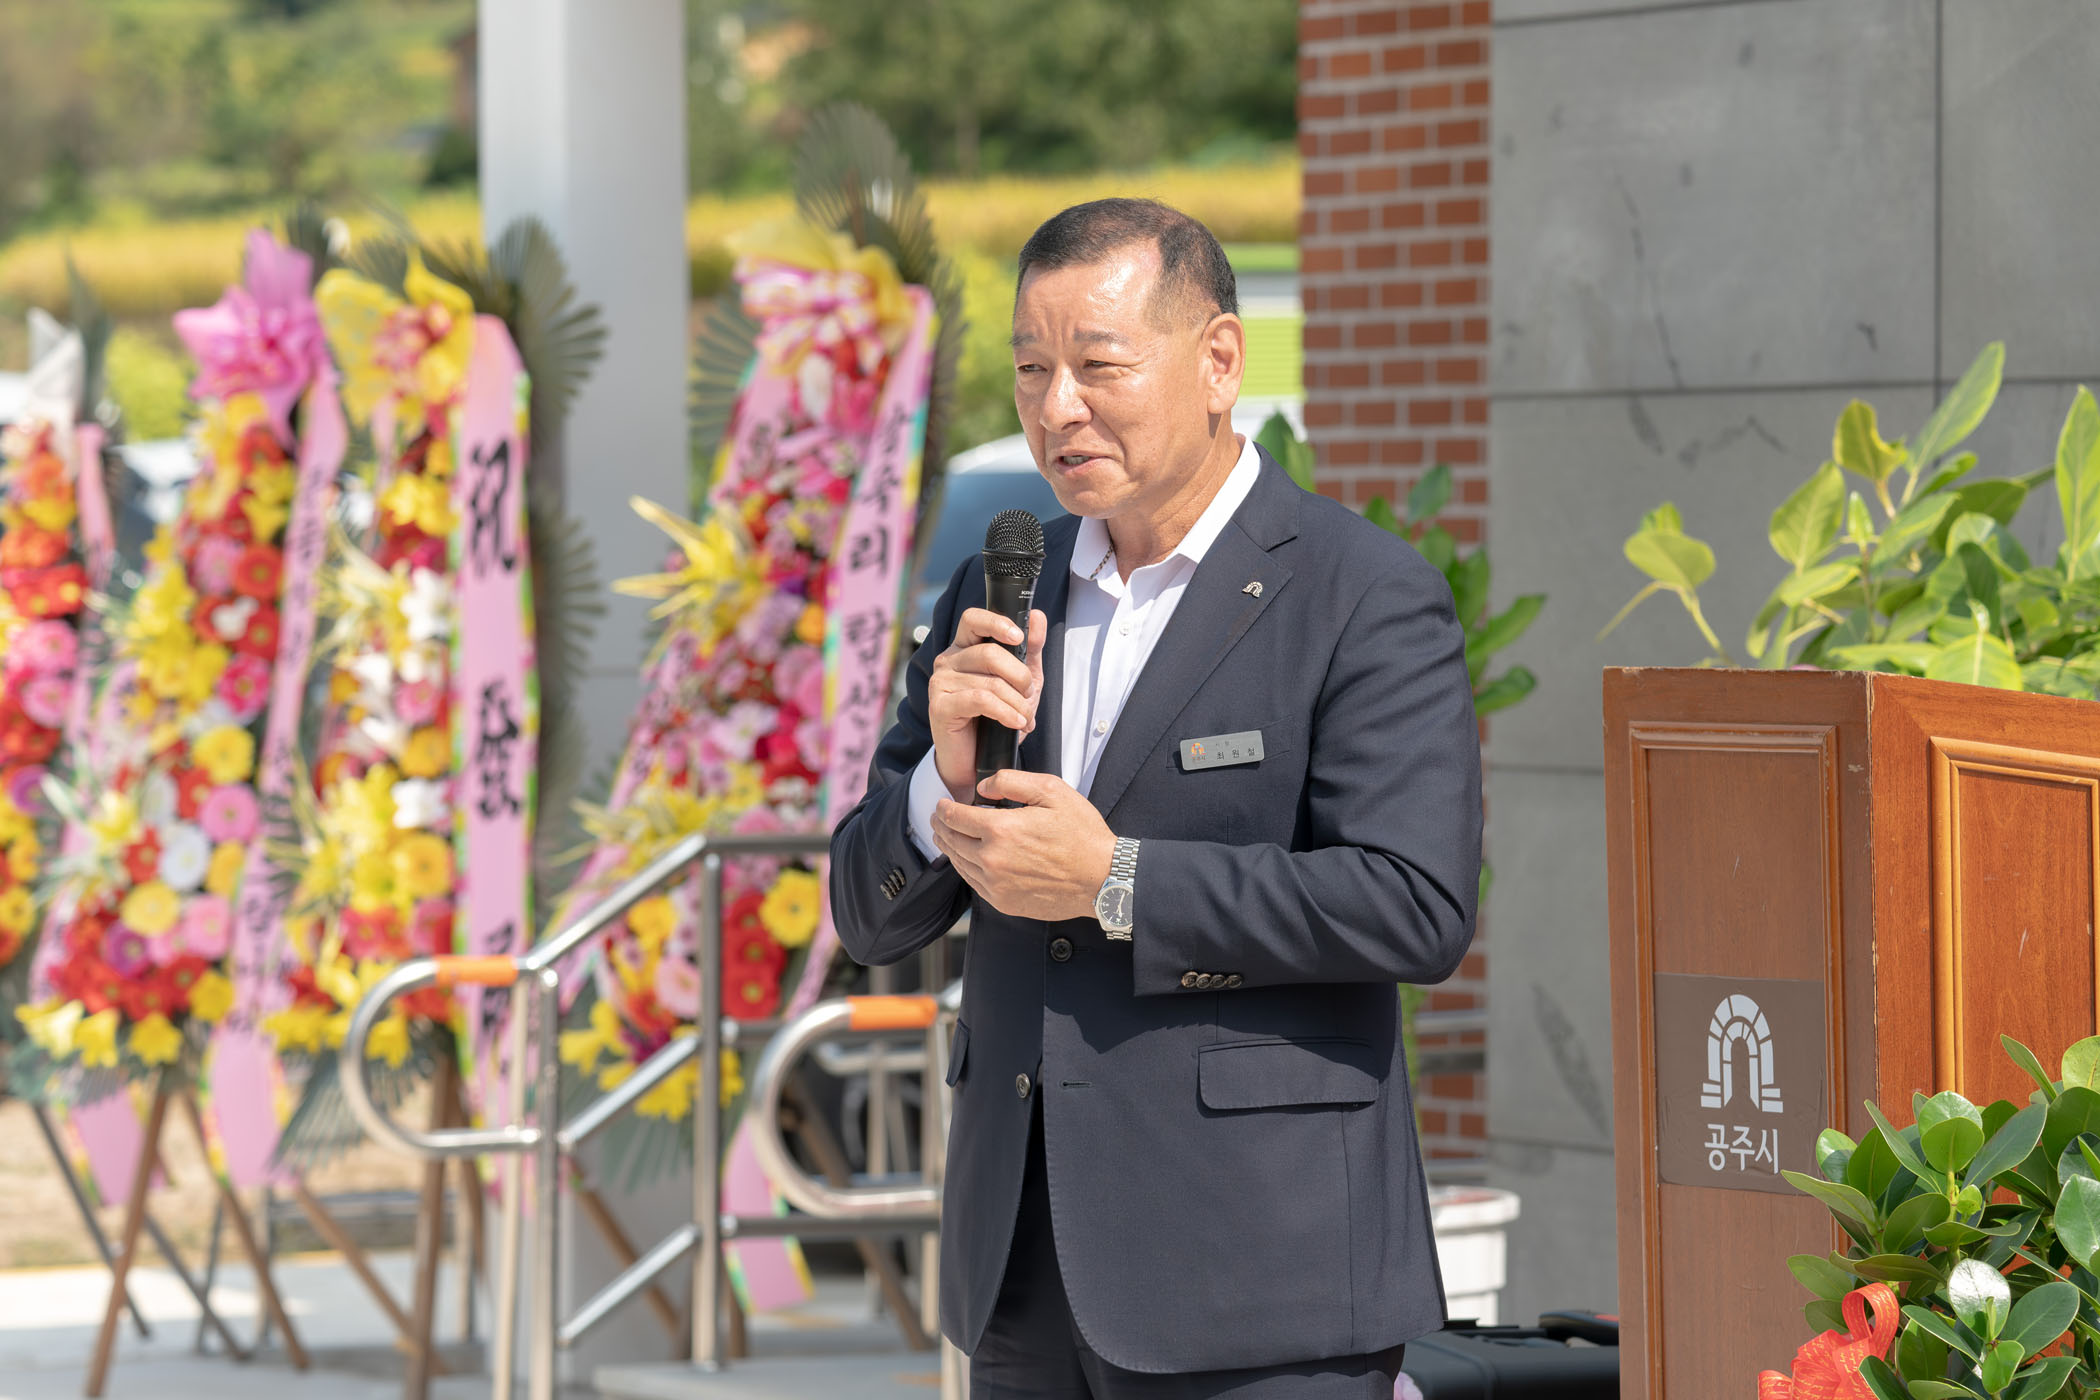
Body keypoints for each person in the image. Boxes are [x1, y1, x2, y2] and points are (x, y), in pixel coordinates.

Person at [829, 197, 1481, 1398]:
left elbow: (1412, 904)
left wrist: (1117, 880)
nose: (1056, 409)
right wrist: (936, 789)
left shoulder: (1359, 591)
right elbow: (869, 915)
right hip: (1022, 1268)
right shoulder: (999, 587)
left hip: (1260, 1272)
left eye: (1099, 365)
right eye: (1032, 370)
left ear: (1219, 360)